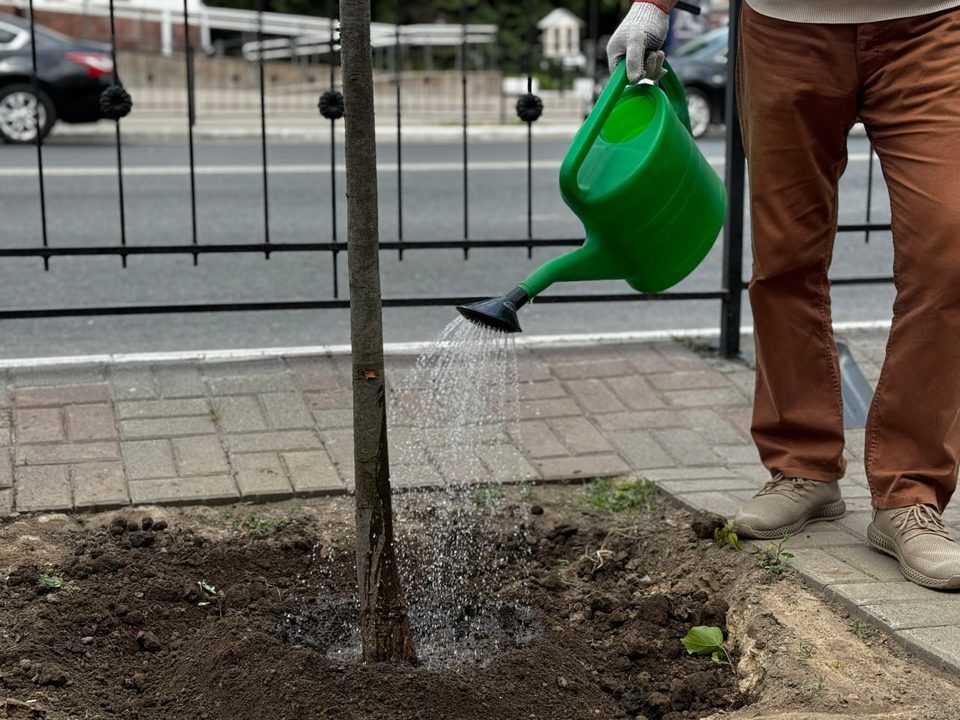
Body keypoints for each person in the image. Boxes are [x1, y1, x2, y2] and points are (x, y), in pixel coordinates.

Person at [608, 0, 960, 590]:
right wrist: (653, 4)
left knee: (948, 258)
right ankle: (804, 467)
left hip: (930, 24)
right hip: (784, 29)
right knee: (785, 258)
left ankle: (910, 491)